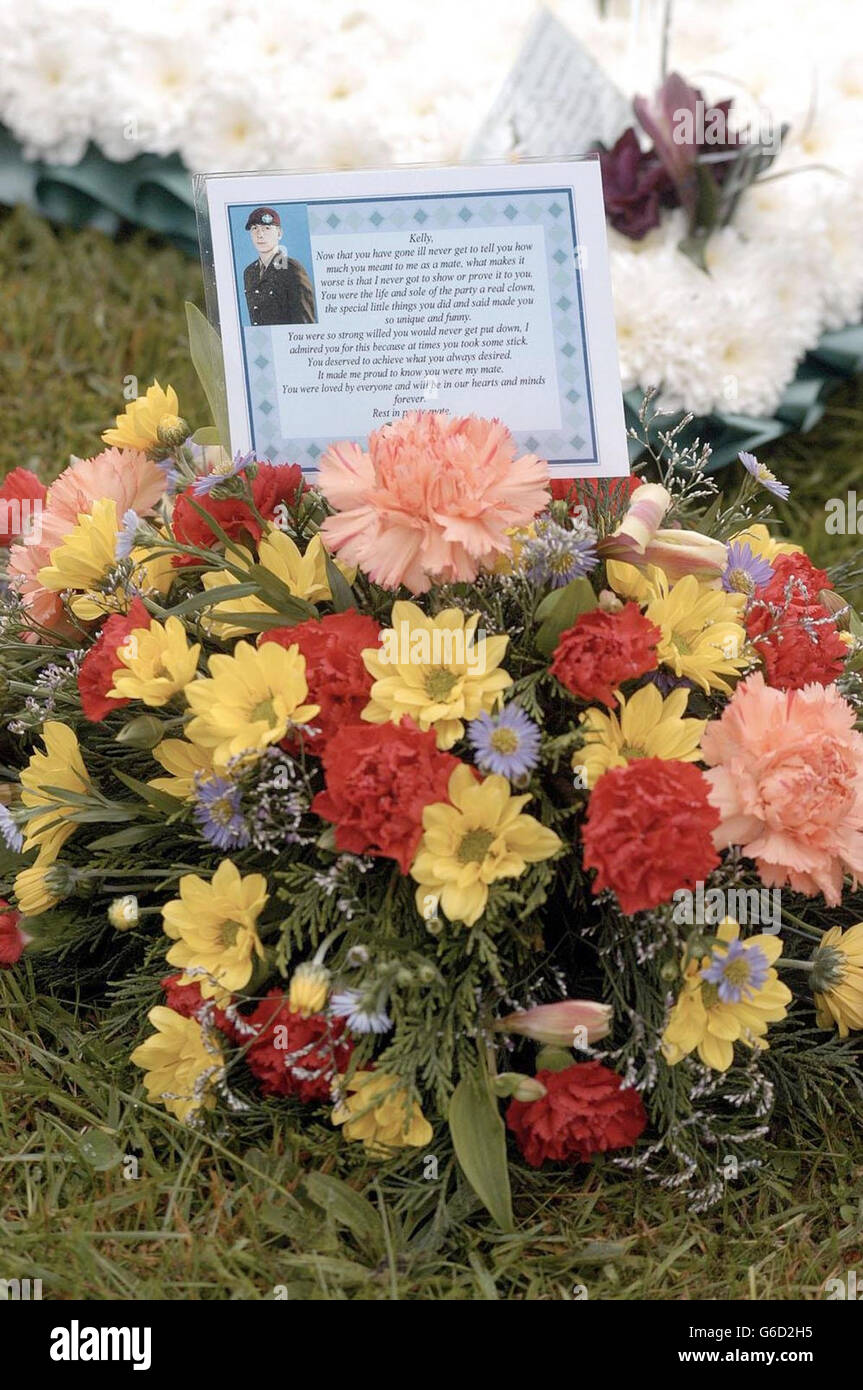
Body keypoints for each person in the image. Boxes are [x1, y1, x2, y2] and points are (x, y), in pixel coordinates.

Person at [242, 207, 316, 326]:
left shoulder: (292, 270)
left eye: (267, 228)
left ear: (279, 233)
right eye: (254, 228)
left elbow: (305, 325)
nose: (260, 234)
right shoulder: (249, 272)